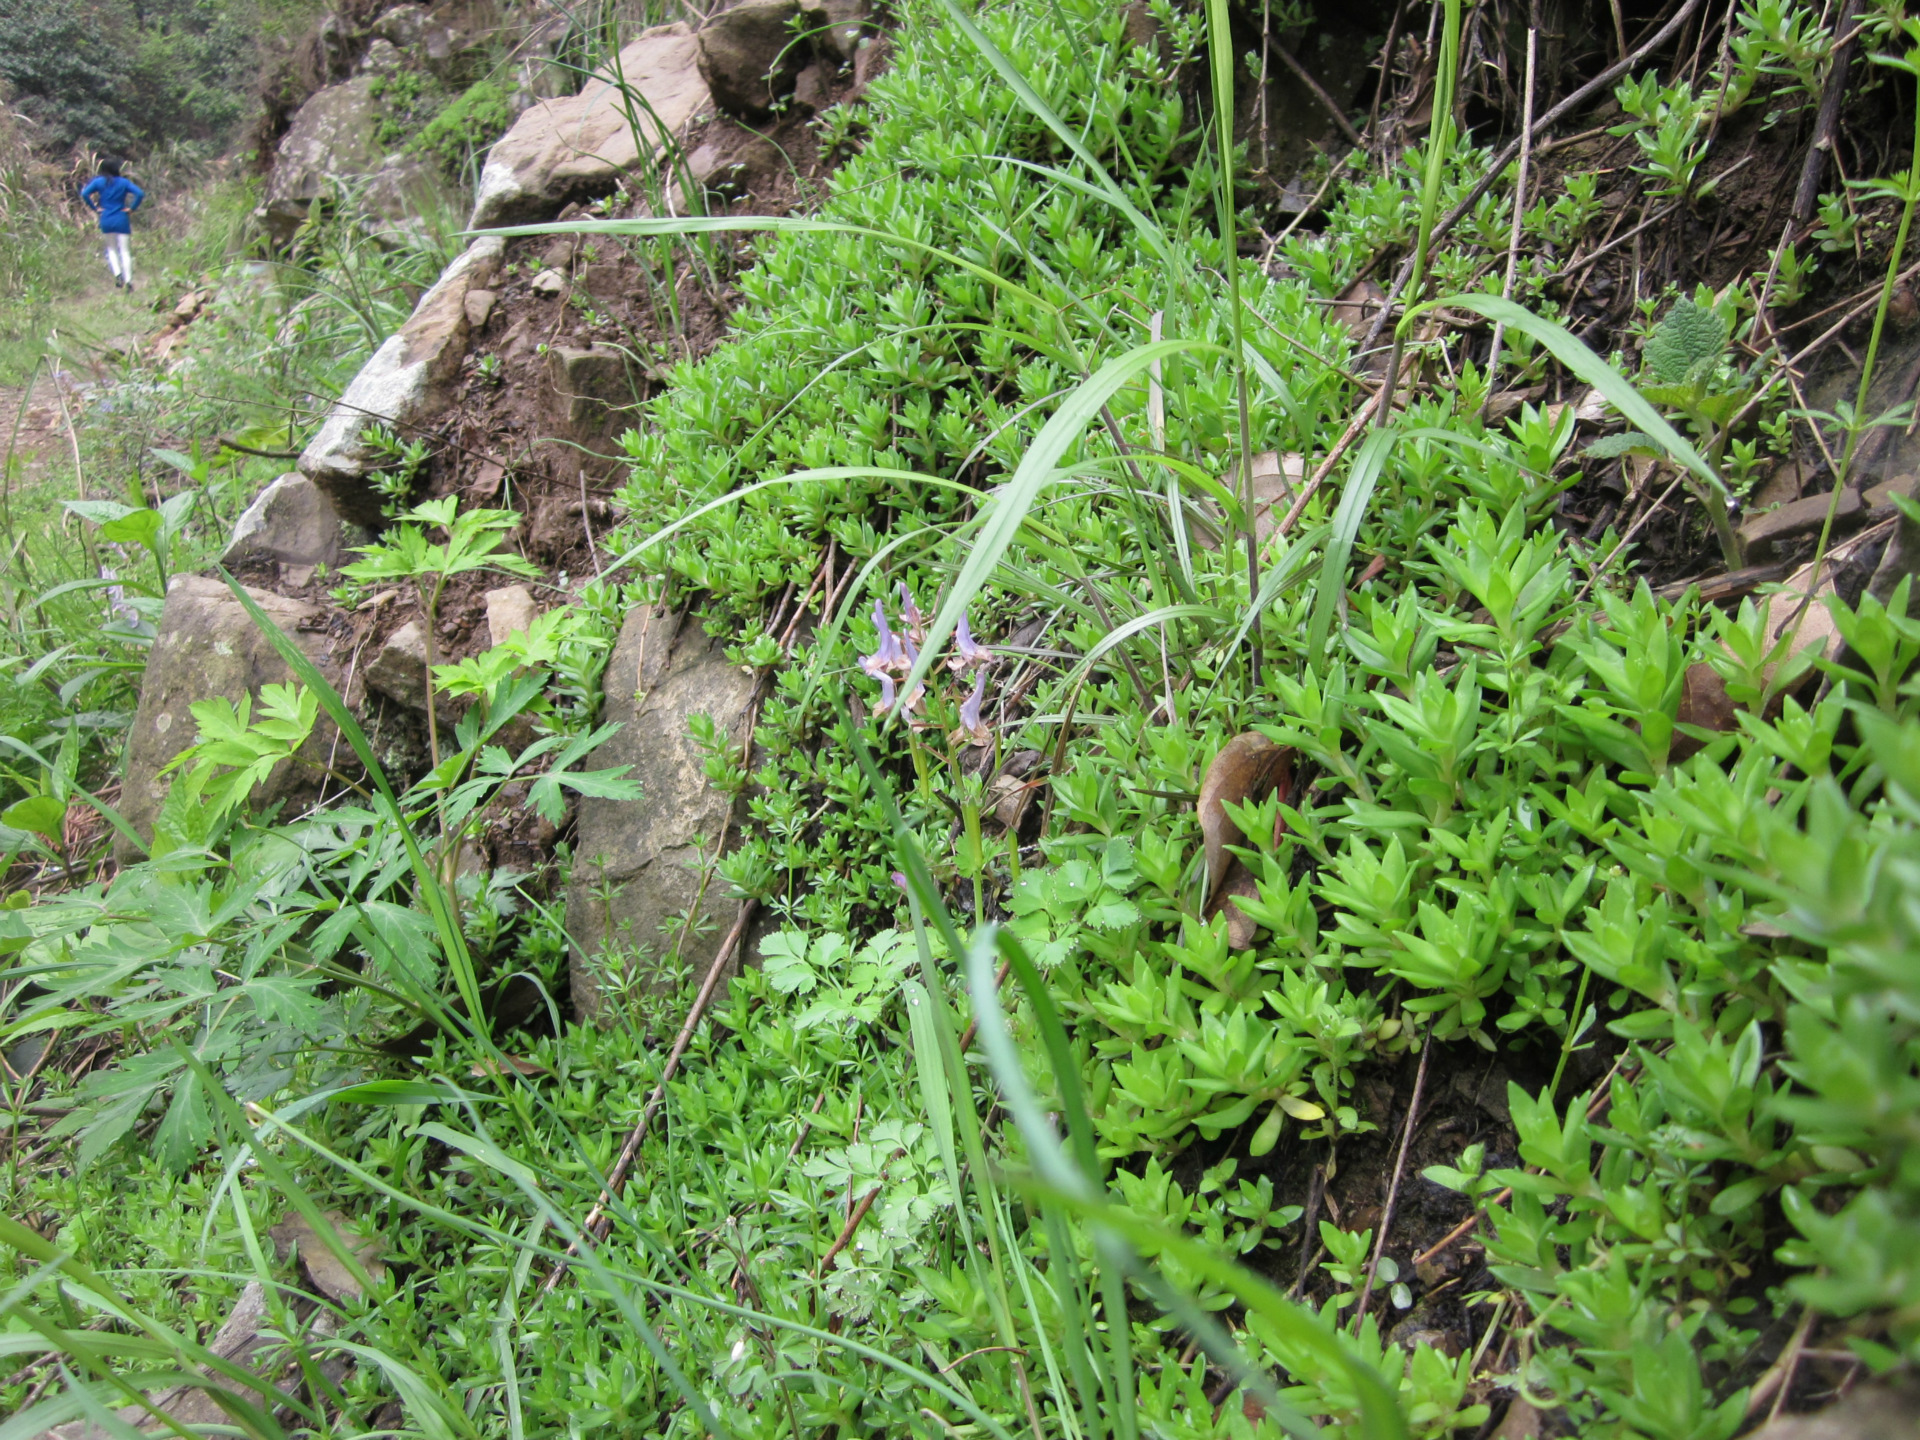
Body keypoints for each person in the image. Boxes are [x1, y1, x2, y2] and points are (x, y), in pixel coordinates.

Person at [79, 159, 146, 292]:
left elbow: (84, 193)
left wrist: (95, 208)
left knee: (111, 249)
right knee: (125, 251)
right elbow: (140, 193)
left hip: (106, 219)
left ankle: (117, 274)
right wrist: (131, 209)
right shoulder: (123, 182)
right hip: (121, 218)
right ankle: (129, 281)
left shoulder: (99, 182)